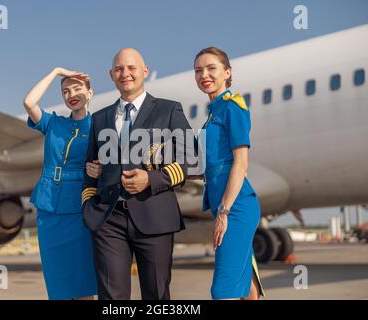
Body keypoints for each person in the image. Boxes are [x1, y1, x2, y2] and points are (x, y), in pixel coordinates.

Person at [81, 48, 196, 300]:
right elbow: (90, 169)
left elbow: (191, 159)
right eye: (119, 69)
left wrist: (151, 179)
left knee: (156, 294)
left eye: (132, 68)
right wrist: (89, 206)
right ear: (111, 75)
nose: (126, 74)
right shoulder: (99, 119)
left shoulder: (168, 110)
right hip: (109, 219)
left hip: (154, 214)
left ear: (144, 71)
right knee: (112, 298)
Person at [23, 67, 101, 300]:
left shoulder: (99, 128)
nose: (71, 94)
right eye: (65, 91)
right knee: (58, 282)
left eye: (77, 88)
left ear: (90, 93)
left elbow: (109, 165)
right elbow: (29, 102)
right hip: (49, 207)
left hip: (80, 207)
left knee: (83, 281)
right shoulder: (53, 123)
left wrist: (99, 170)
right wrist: (56, 72)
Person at [193, 47, 265, 300]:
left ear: (227, 72)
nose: (204, 75)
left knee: (223, 290)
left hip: (235, 207)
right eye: (199, 70)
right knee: (247, 289)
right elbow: (206, 168)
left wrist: (223, 211)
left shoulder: (232, 107)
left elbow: (240, 163)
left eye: (211, 68)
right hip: (227, 205)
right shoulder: (213, 113)